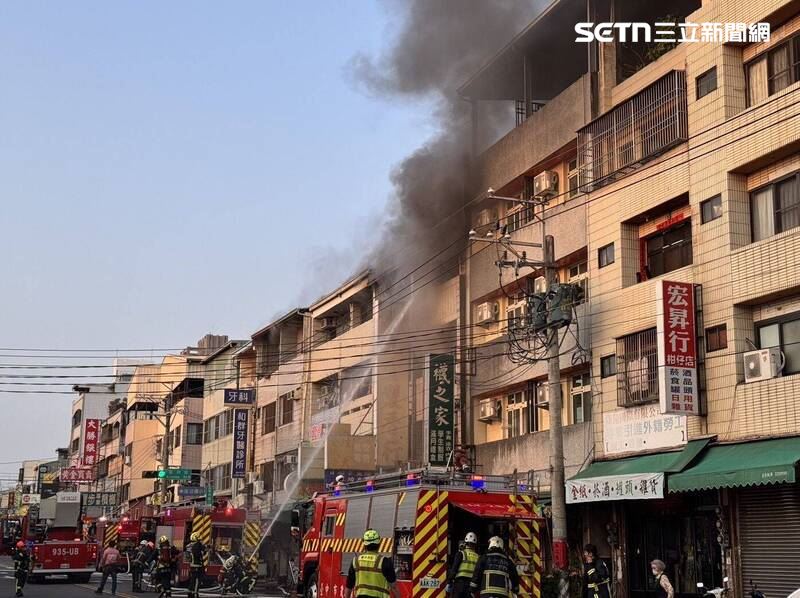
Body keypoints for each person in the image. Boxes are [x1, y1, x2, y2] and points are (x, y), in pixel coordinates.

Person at [344, 529, 399, 598]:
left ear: (364, 545)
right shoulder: (385, 562)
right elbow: (393, 587)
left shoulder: (356, 561)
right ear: (379, 544)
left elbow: (349, 586)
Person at [446, 532, 480, 598]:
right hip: (471, 586)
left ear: (465, 543)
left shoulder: (461, 553)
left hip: (459, 584)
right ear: (475, 544)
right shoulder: (478, 557)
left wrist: (449, 582)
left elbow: (454, 569)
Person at [186, 532, 207, 598]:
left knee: (192, 580)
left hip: (192, 565)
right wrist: (204, 548)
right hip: (197, 565)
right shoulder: (198, 546)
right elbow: (202, 553)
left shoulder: (188, 546)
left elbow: (187, 557)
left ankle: (190, 592)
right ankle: (195, 593)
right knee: (197, 580)